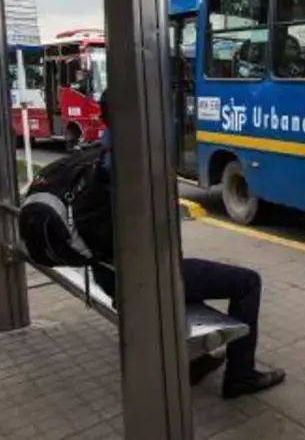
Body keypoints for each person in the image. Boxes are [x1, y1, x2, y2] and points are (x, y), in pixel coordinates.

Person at [92, 89, 286, 398]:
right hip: (142, 278)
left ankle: (195, 362)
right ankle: (240, 376)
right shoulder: (130, 162)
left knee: (193, 278)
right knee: (248, 282)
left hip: (109, 273)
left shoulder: (103, 149)